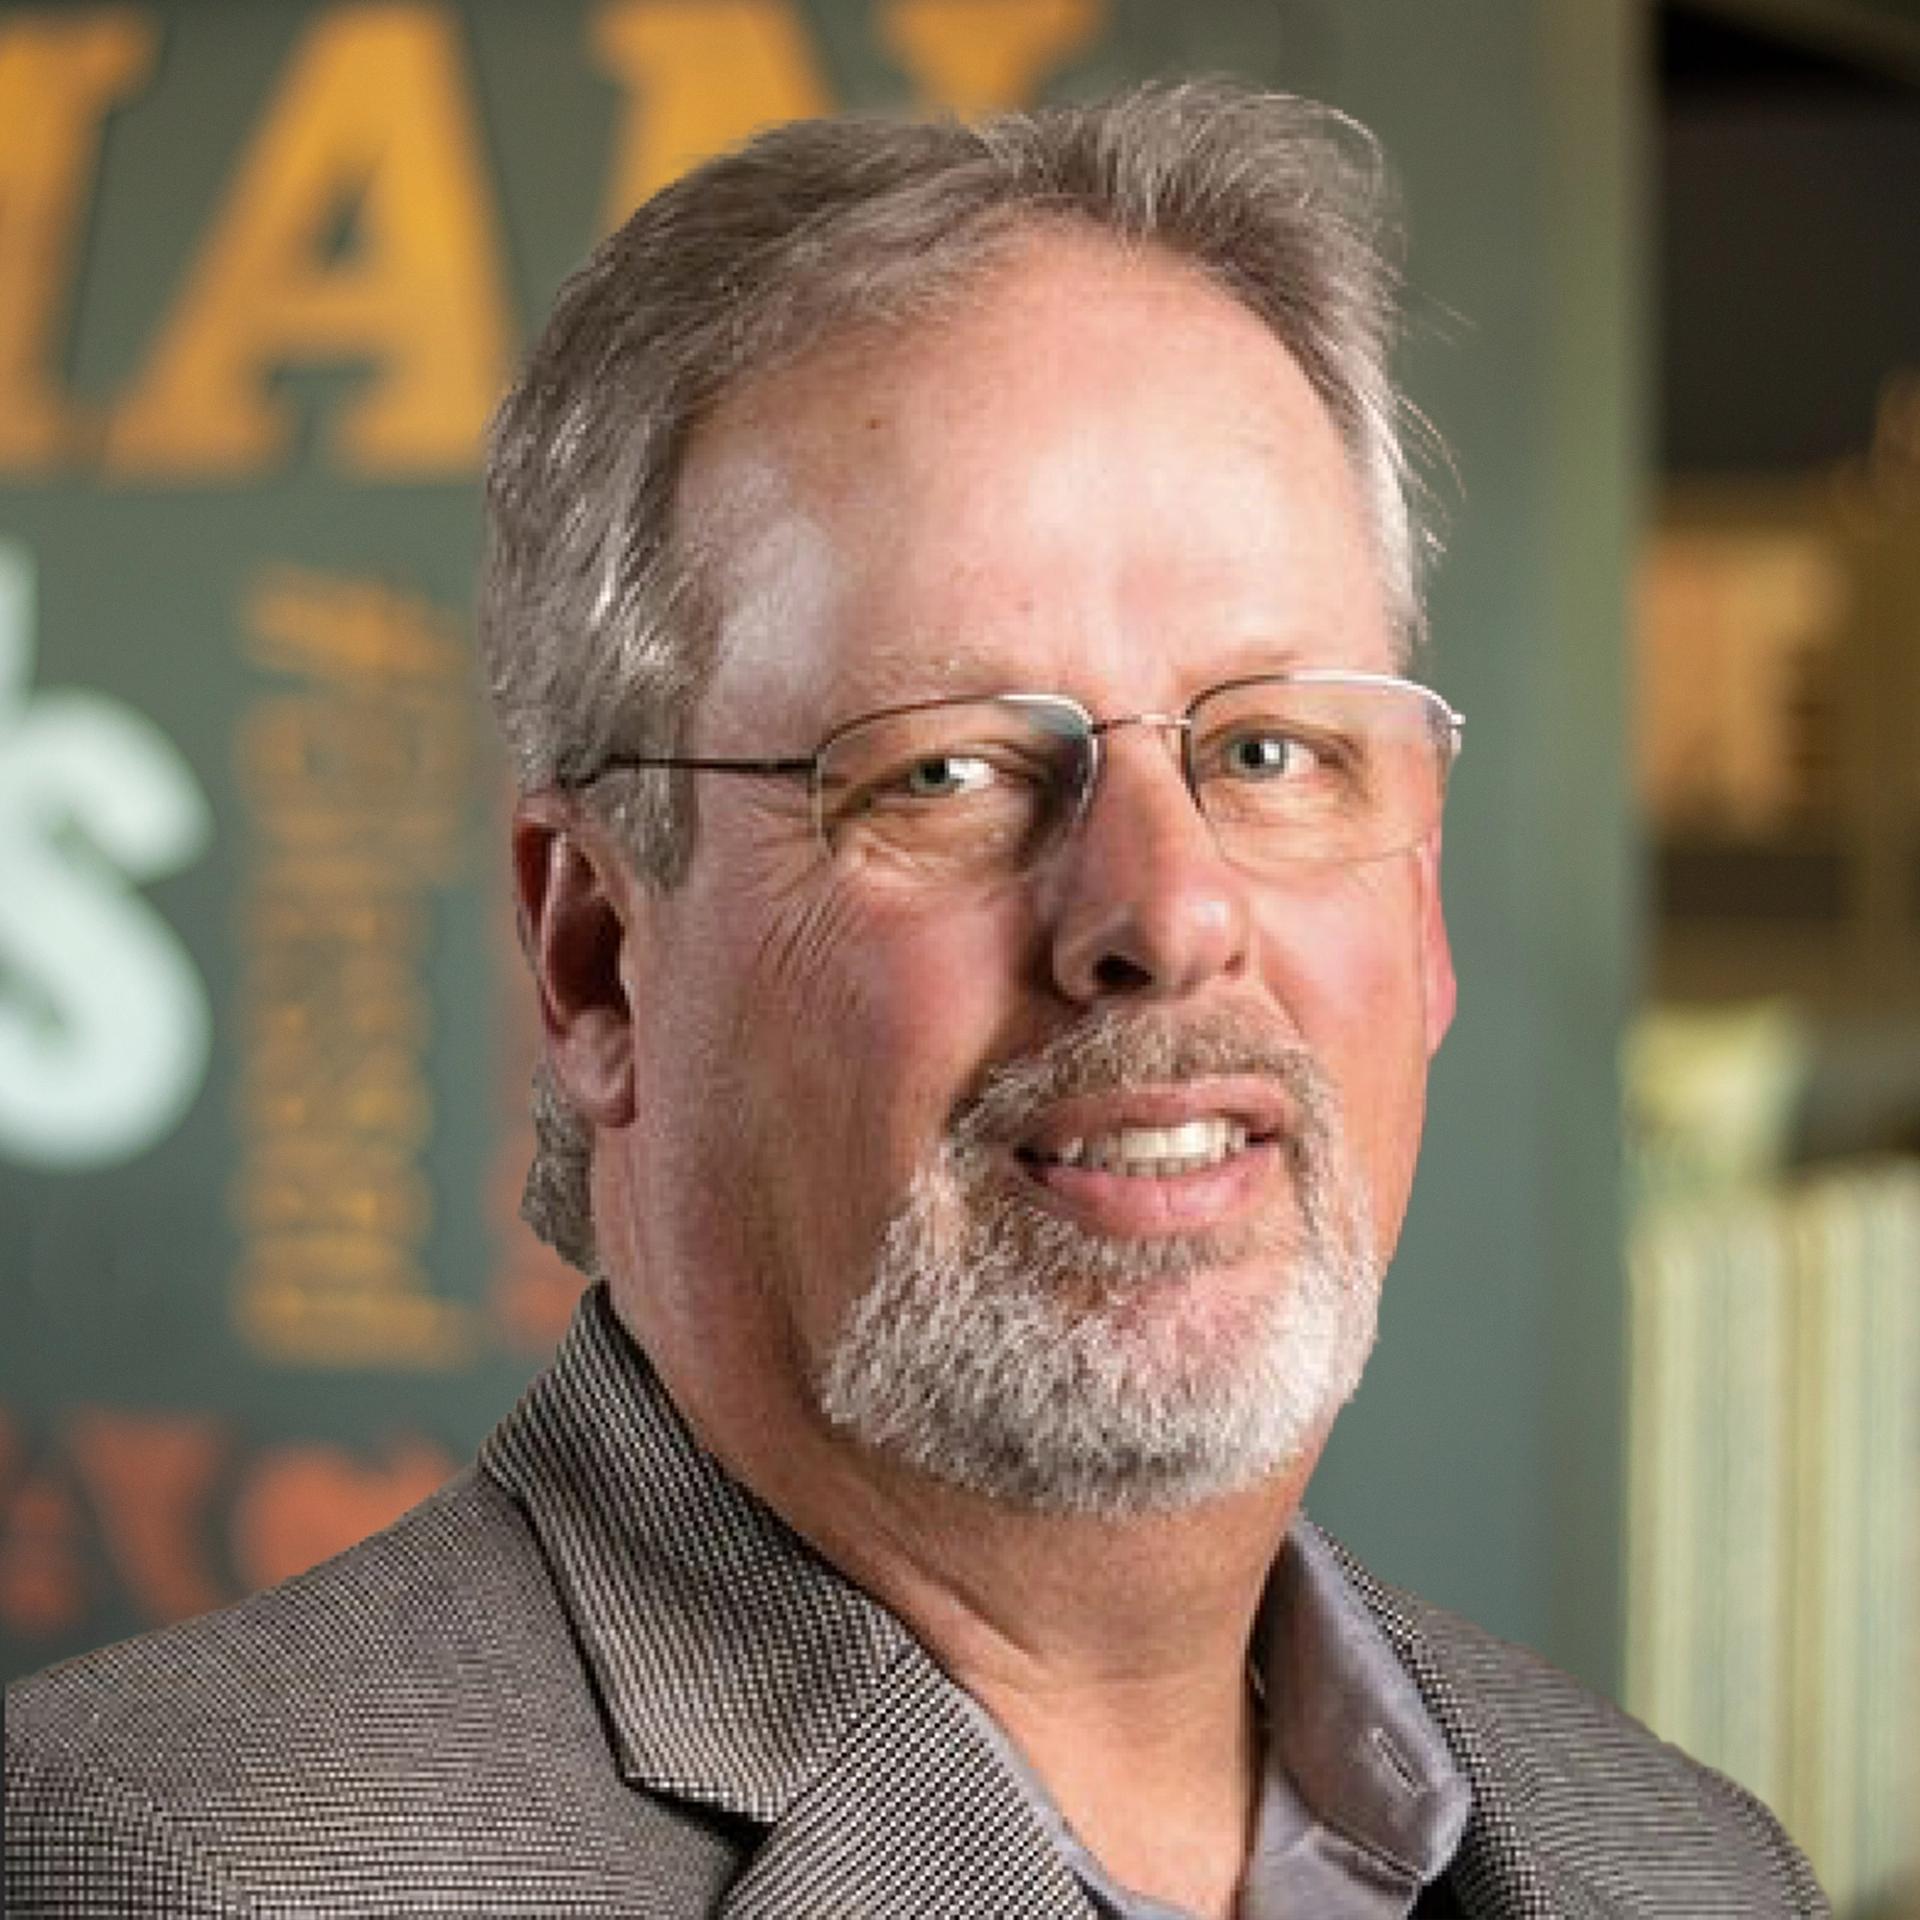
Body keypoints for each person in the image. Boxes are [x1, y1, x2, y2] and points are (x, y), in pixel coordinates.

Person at [5, 83, 1825, 1919]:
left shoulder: (1691, 1868)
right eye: (946, 773)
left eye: (1271, 751)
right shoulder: (180, 1871)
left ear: (1420, 911)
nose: (1168, 912)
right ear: (595, 957)